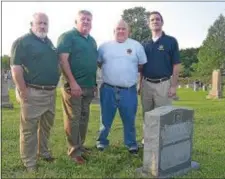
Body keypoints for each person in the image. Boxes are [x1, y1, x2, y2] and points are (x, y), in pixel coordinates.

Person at [10, 12, 60, 172]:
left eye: (46, 23)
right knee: (29, 130)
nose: (43, 26)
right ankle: (29, 163)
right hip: (33, 92)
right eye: (40, 23)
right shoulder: (22, 42)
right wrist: (23, 91)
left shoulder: (49, 43)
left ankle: (43, 153)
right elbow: (15, 68)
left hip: (50, 93)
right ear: (32, 24)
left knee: (46, 127)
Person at [96, 19, 147, 154]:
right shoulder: (104, 47)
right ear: (113, 31)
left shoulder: (136, 46)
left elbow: (141, 66)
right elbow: (99, 63)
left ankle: (131, 143)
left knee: (129, 119)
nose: (121, 31)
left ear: (129, 31)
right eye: (118, 28)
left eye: (124, 29)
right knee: (105, 119)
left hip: (128, 90)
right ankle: (102, 141)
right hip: (108, 89)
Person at [57, 10, 98, 165]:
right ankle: (74, 152)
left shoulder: (92, 40)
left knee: (84, 117)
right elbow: (63, 61)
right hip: (73, 87)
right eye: (83, 19)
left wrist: (94, 84)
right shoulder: (67, 37)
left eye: (89, 19)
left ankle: (80, 146)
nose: (86, 22)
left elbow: (92, 63)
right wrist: (73, 82)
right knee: (73, 119)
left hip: (88, 86)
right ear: (76, 21)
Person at [139, 11, 181, 145]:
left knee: (163, 115)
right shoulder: (144, 44)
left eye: (157, 19)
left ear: (162, 23)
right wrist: (139, 84)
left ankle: (164, 141)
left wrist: (173, 86)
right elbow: (140, 67)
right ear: (148, 24)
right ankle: (148, 140)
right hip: (146, 84)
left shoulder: (171, 41)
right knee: (147, 114)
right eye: (152, 20)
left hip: (163, 83)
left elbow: (176, 65)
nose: (155, 21)